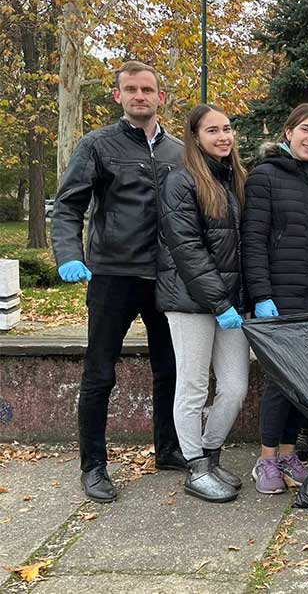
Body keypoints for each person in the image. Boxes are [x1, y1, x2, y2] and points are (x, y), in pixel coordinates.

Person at [52, 60, 186, 503]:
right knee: (99, 373)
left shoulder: (180, 152)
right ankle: (93, 465)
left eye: (148, 89)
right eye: (131, 89)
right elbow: (69, 206)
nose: (140, 96)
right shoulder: (97, 145)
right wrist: (71, 255)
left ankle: (168, 448)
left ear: (160, 97)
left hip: (165, 277)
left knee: (169, 368)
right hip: (112, 274)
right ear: (118, 96)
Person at [242, 103, 308, 495]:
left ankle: (288, 452)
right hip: (280, 299)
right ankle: (266, 460)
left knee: (303, 382)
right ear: (288, 133)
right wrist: (262, 295)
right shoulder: (265, 177)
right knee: (280, 382)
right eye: (305, 129)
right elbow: (253, 241)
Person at [157, 104, 249, 503]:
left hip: (229, 302)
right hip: (190, 301)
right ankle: (195, 467)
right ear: (195, 137)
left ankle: (210, 454)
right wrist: (218, 301)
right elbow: (187, 249)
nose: (223, 136)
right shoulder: (181, 181)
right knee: (193, 386)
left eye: (227, 128)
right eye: (213, 131)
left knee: (234, 387)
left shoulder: (233, 179)